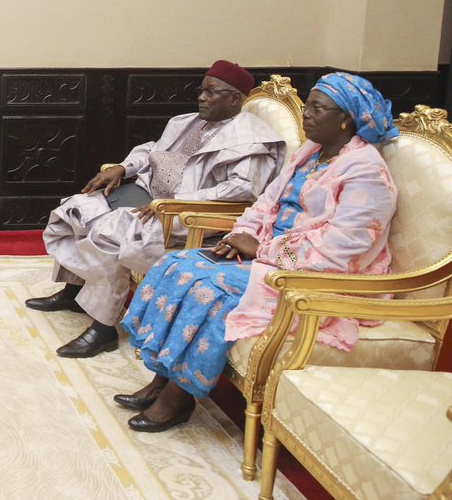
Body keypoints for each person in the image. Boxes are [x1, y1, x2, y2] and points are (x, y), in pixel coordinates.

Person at [117, 73, 398, 432]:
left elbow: (341, 250)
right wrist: (243, 235)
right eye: (307, 106)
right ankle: (162, 376)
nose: (306, 115)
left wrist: (264, 249)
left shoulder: (366, 171)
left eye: (317, 109)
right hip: (267, 255)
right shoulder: (311, 154)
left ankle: (178, 397)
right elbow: (264, 204)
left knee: (212, 291)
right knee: (176, 264)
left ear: (346, 119)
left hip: (312, 275)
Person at [28, 61, 286, 359]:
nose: (201, 97)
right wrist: (122, 168)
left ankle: (103, 327)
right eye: (202, 90)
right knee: (73, 211)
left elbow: (243, 190)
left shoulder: (251, 141)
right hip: (147, 196)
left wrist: (177, 202)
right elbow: (152, 149)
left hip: (183, 214)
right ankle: (74, 292)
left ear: (235, 99)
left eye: (211, 92)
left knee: (107, 232)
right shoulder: (189, 122)